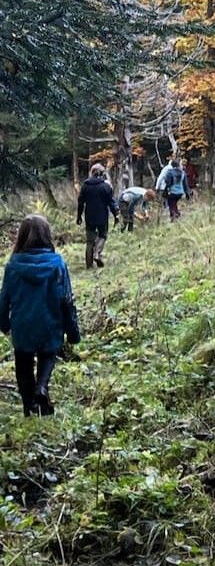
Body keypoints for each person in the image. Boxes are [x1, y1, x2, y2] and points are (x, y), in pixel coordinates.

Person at [0, 214, 80, 416]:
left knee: (23, 366)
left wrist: (4, 323)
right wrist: (72, 331)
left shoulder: (13, 266)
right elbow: (67, 300)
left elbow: (4, 298)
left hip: (22, 324)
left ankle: (29, 407)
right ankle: (42, 387)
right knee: (48, 355)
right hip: (50, 321)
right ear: (47, 235)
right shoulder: (58, 264)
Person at [76, 163, 119, 268]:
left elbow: (80, 202)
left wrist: (79, 216)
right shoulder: (105, 187)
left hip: (89, 216)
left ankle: (89, 264)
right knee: (103, 235)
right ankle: (97, 253)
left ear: (91, 172)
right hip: (102, 216)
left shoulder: (85, 186)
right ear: (102, 173)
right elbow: (111, 202)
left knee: (90, 240)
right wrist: (115, 215)